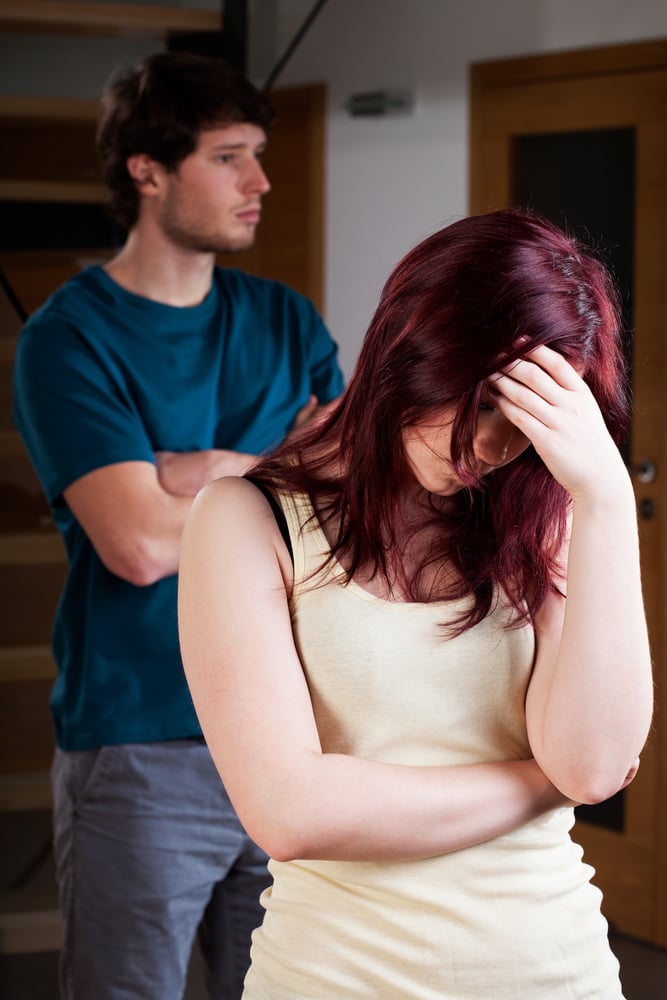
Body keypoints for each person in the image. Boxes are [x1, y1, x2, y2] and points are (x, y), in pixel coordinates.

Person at [178, 207, 654, 999]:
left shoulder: (551, 511)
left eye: (527, 419)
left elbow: (594, 762)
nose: (494, 446)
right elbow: (288, 812)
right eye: (483, 400)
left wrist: (602, 496)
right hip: (328, 979)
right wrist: (543, 784)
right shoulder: (244, 519)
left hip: (554, 971)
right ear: (414, 346)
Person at [12, 51, 344, 1000]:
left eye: (260, 155)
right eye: (230, 156)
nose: (260, 182)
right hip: (141, 746)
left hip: (295, 734)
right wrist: (277, 464)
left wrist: (199, 470)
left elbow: (354, 494)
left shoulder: (284, 320)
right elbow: (141, 544)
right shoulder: (69, 339)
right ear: (146, 172)